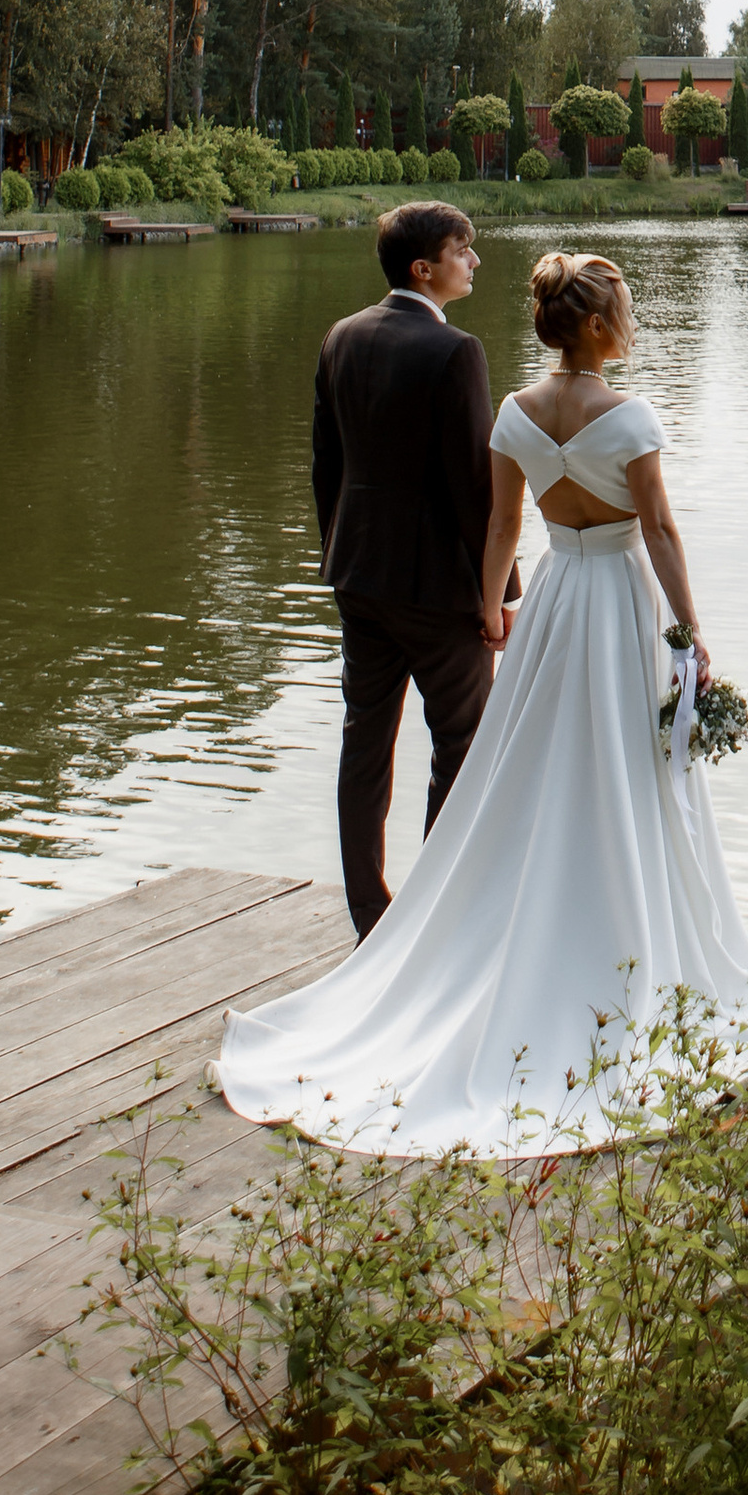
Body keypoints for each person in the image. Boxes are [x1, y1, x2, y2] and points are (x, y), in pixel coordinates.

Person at [217, 250, 748, 1157]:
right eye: (622, 310)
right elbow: (661, 529)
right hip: (619, 602)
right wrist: (693, 628)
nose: (627, 322)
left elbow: (503, 524)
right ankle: (620, 927)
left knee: (533, 765)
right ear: (598, 326)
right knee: (624, 766)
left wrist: (489, 607)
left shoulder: (517, 411)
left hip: (552, 601)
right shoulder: (628, 416)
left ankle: (522, 913)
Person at [309, 199, 503, 942]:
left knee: (365, 741)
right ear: (425, 269)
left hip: (357, 576)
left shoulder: (342, 336)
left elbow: (326, 465)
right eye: (464, 250)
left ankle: (370, 915)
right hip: (437, 590)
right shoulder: (456, 353)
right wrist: (497, 596)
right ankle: (433, 917)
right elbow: (474, 490)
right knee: (461, 743)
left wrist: (340, 551)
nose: (474, 261)